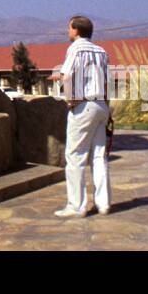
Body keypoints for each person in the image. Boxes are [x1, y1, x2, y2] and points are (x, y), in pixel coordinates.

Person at [47, 15, 112, 218]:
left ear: (76, 30)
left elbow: (67, 75)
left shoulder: (75, 48)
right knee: (99, 156)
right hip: (101, 104)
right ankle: (104, 203)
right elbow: (108, 81)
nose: (68, 32)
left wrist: (70, 100)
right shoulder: (101, 51)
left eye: (69, 28)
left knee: (75, 156)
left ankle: (77, 205)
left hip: (83, 105)